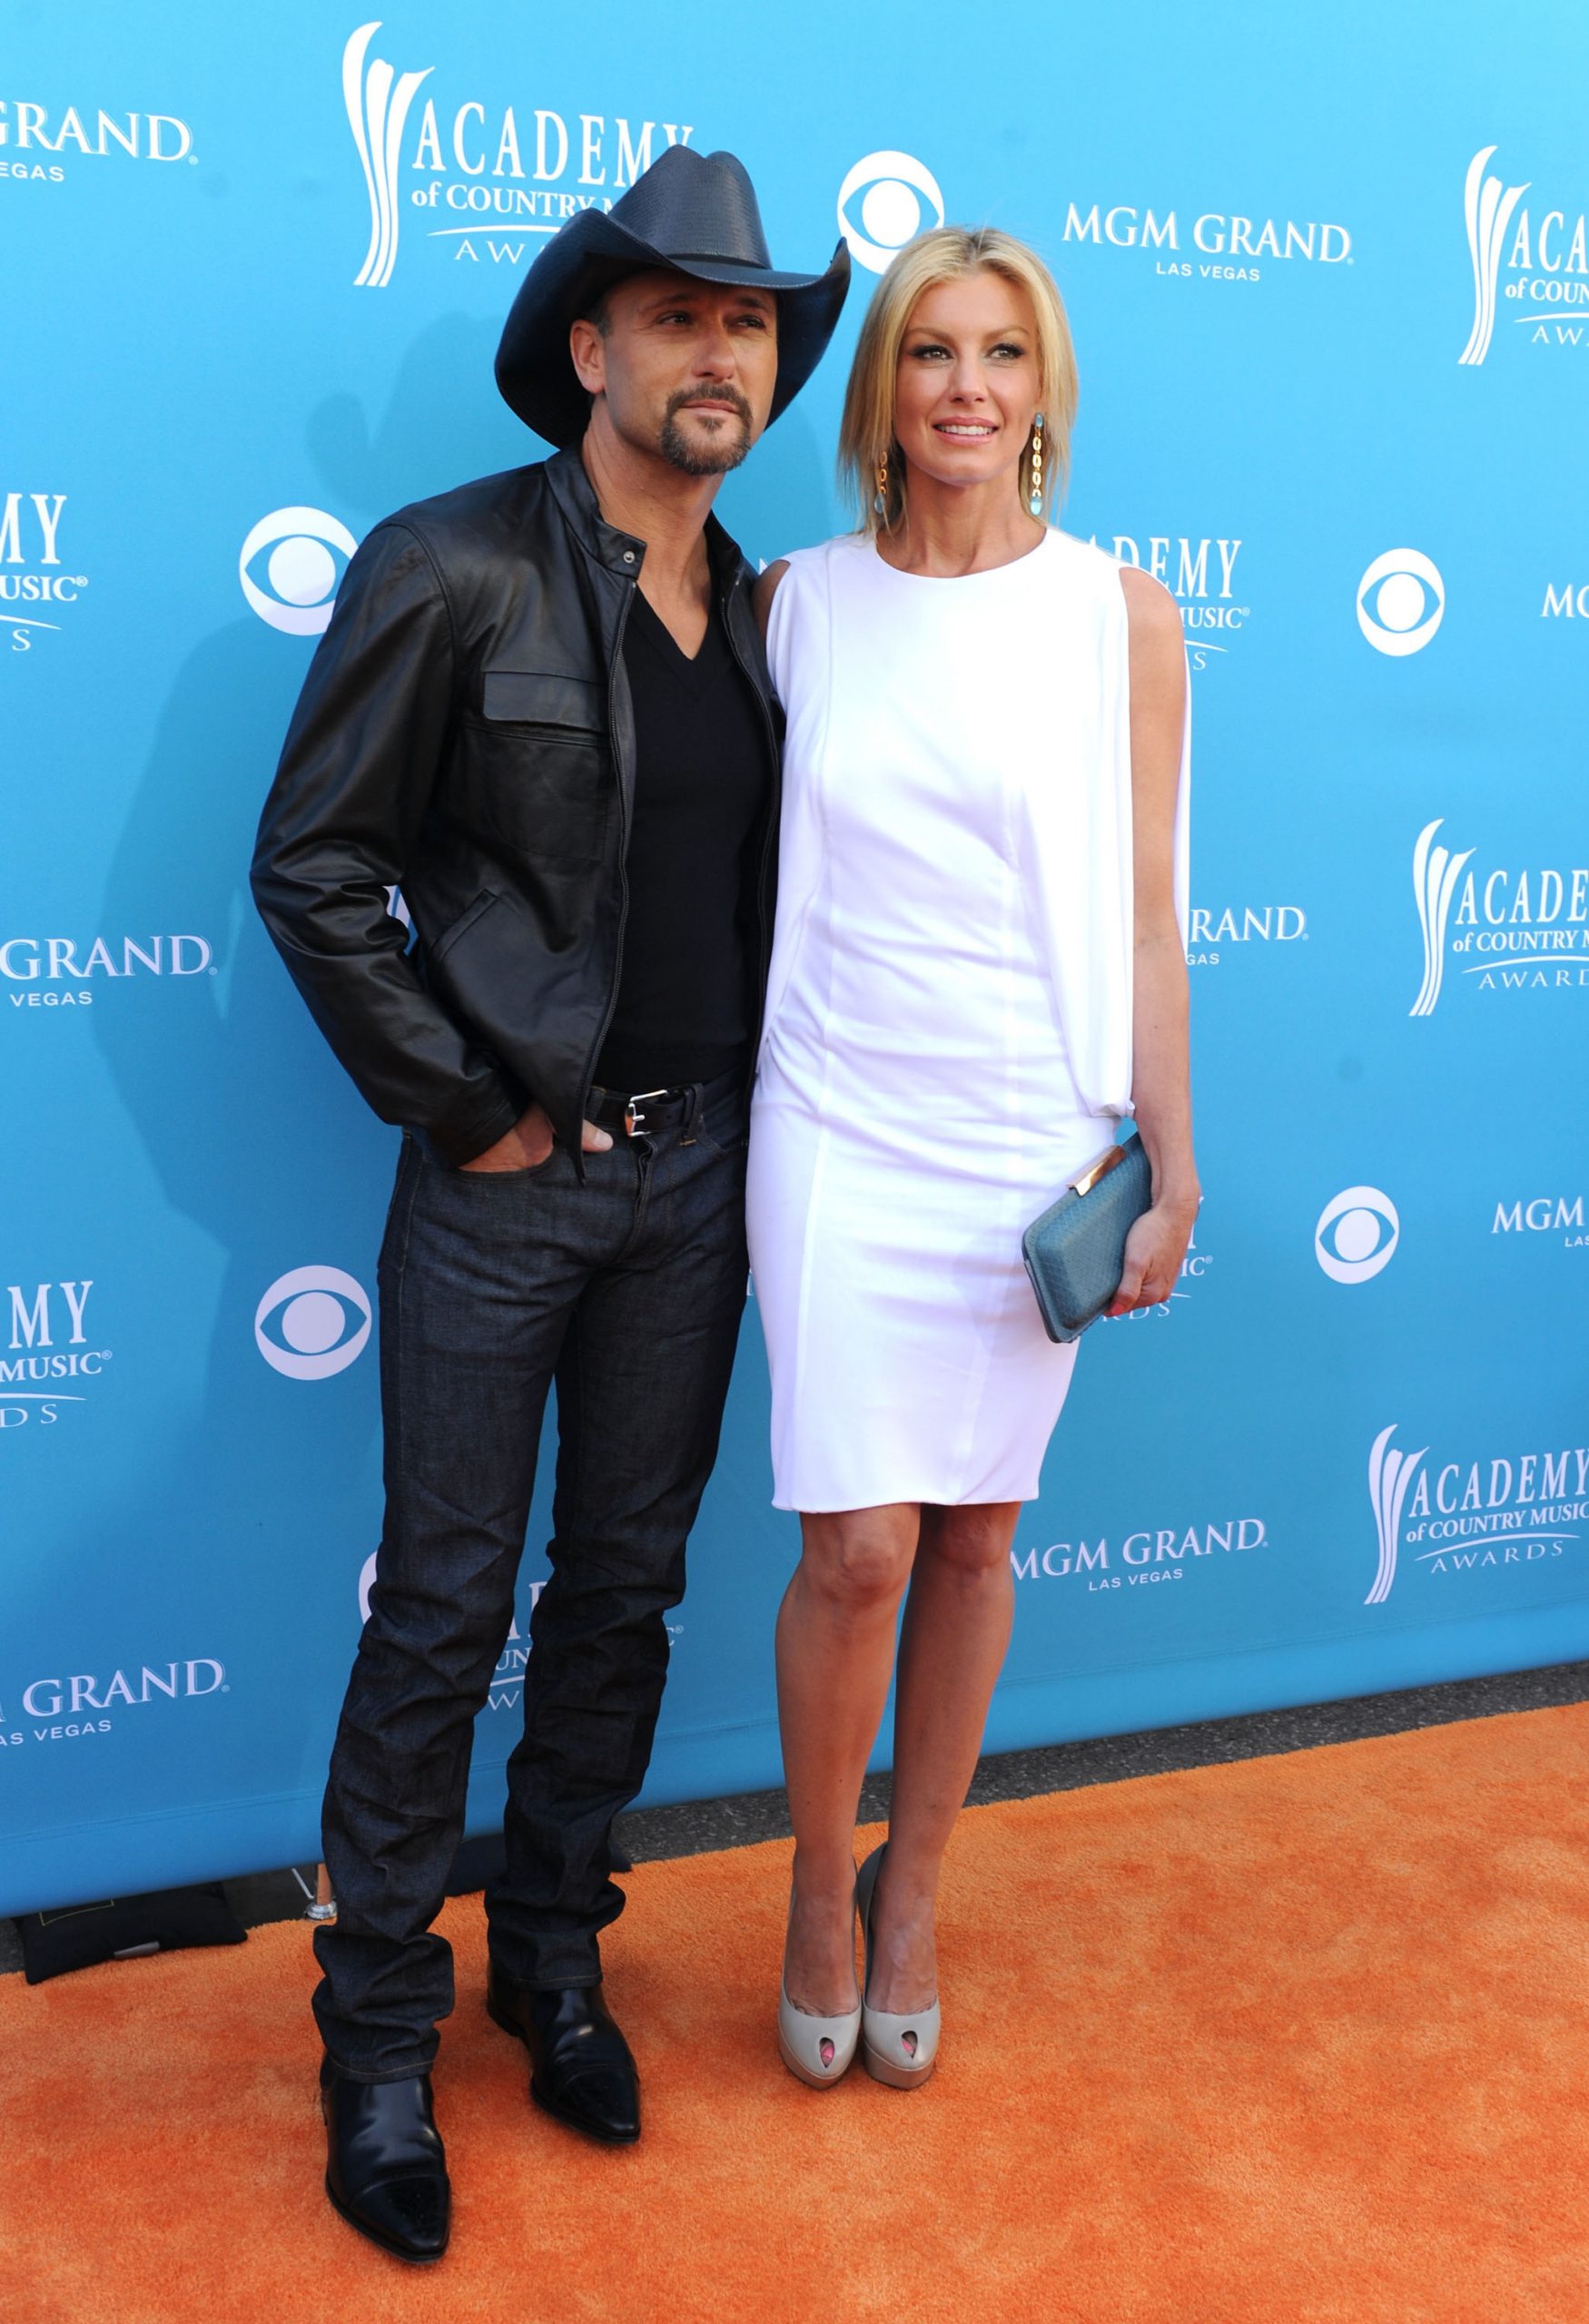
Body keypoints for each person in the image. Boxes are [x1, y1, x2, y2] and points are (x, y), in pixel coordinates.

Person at [252, 145, 847, 2260]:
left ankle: (553, 1961)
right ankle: (380, 2036)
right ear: (587, 348)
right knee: (438, 1607)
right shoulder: (451, 565)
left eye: (750, 320)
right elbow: (311, 866)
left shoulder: (779, 614)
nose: (717, 351)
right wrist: (465, 1107)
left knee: (620, 1595)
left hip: (705, 1182)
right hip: (511, 1190)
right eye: (676, 314)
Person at [747, 226, 1195, 2092]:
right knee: (852, 1543)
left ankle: (912, 1883)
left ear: (1043, 390)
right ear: (880, 388)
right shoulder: (791, 601)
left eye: (1000, 354)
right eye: (928, 350)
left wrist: (1170, 1163)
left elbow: (1151, 913)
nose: (962, 386)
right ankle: (811, 1893)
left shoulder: (1120, 614)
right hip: (833, 1115)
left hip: (1026, 1134)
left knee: (977, 1532)